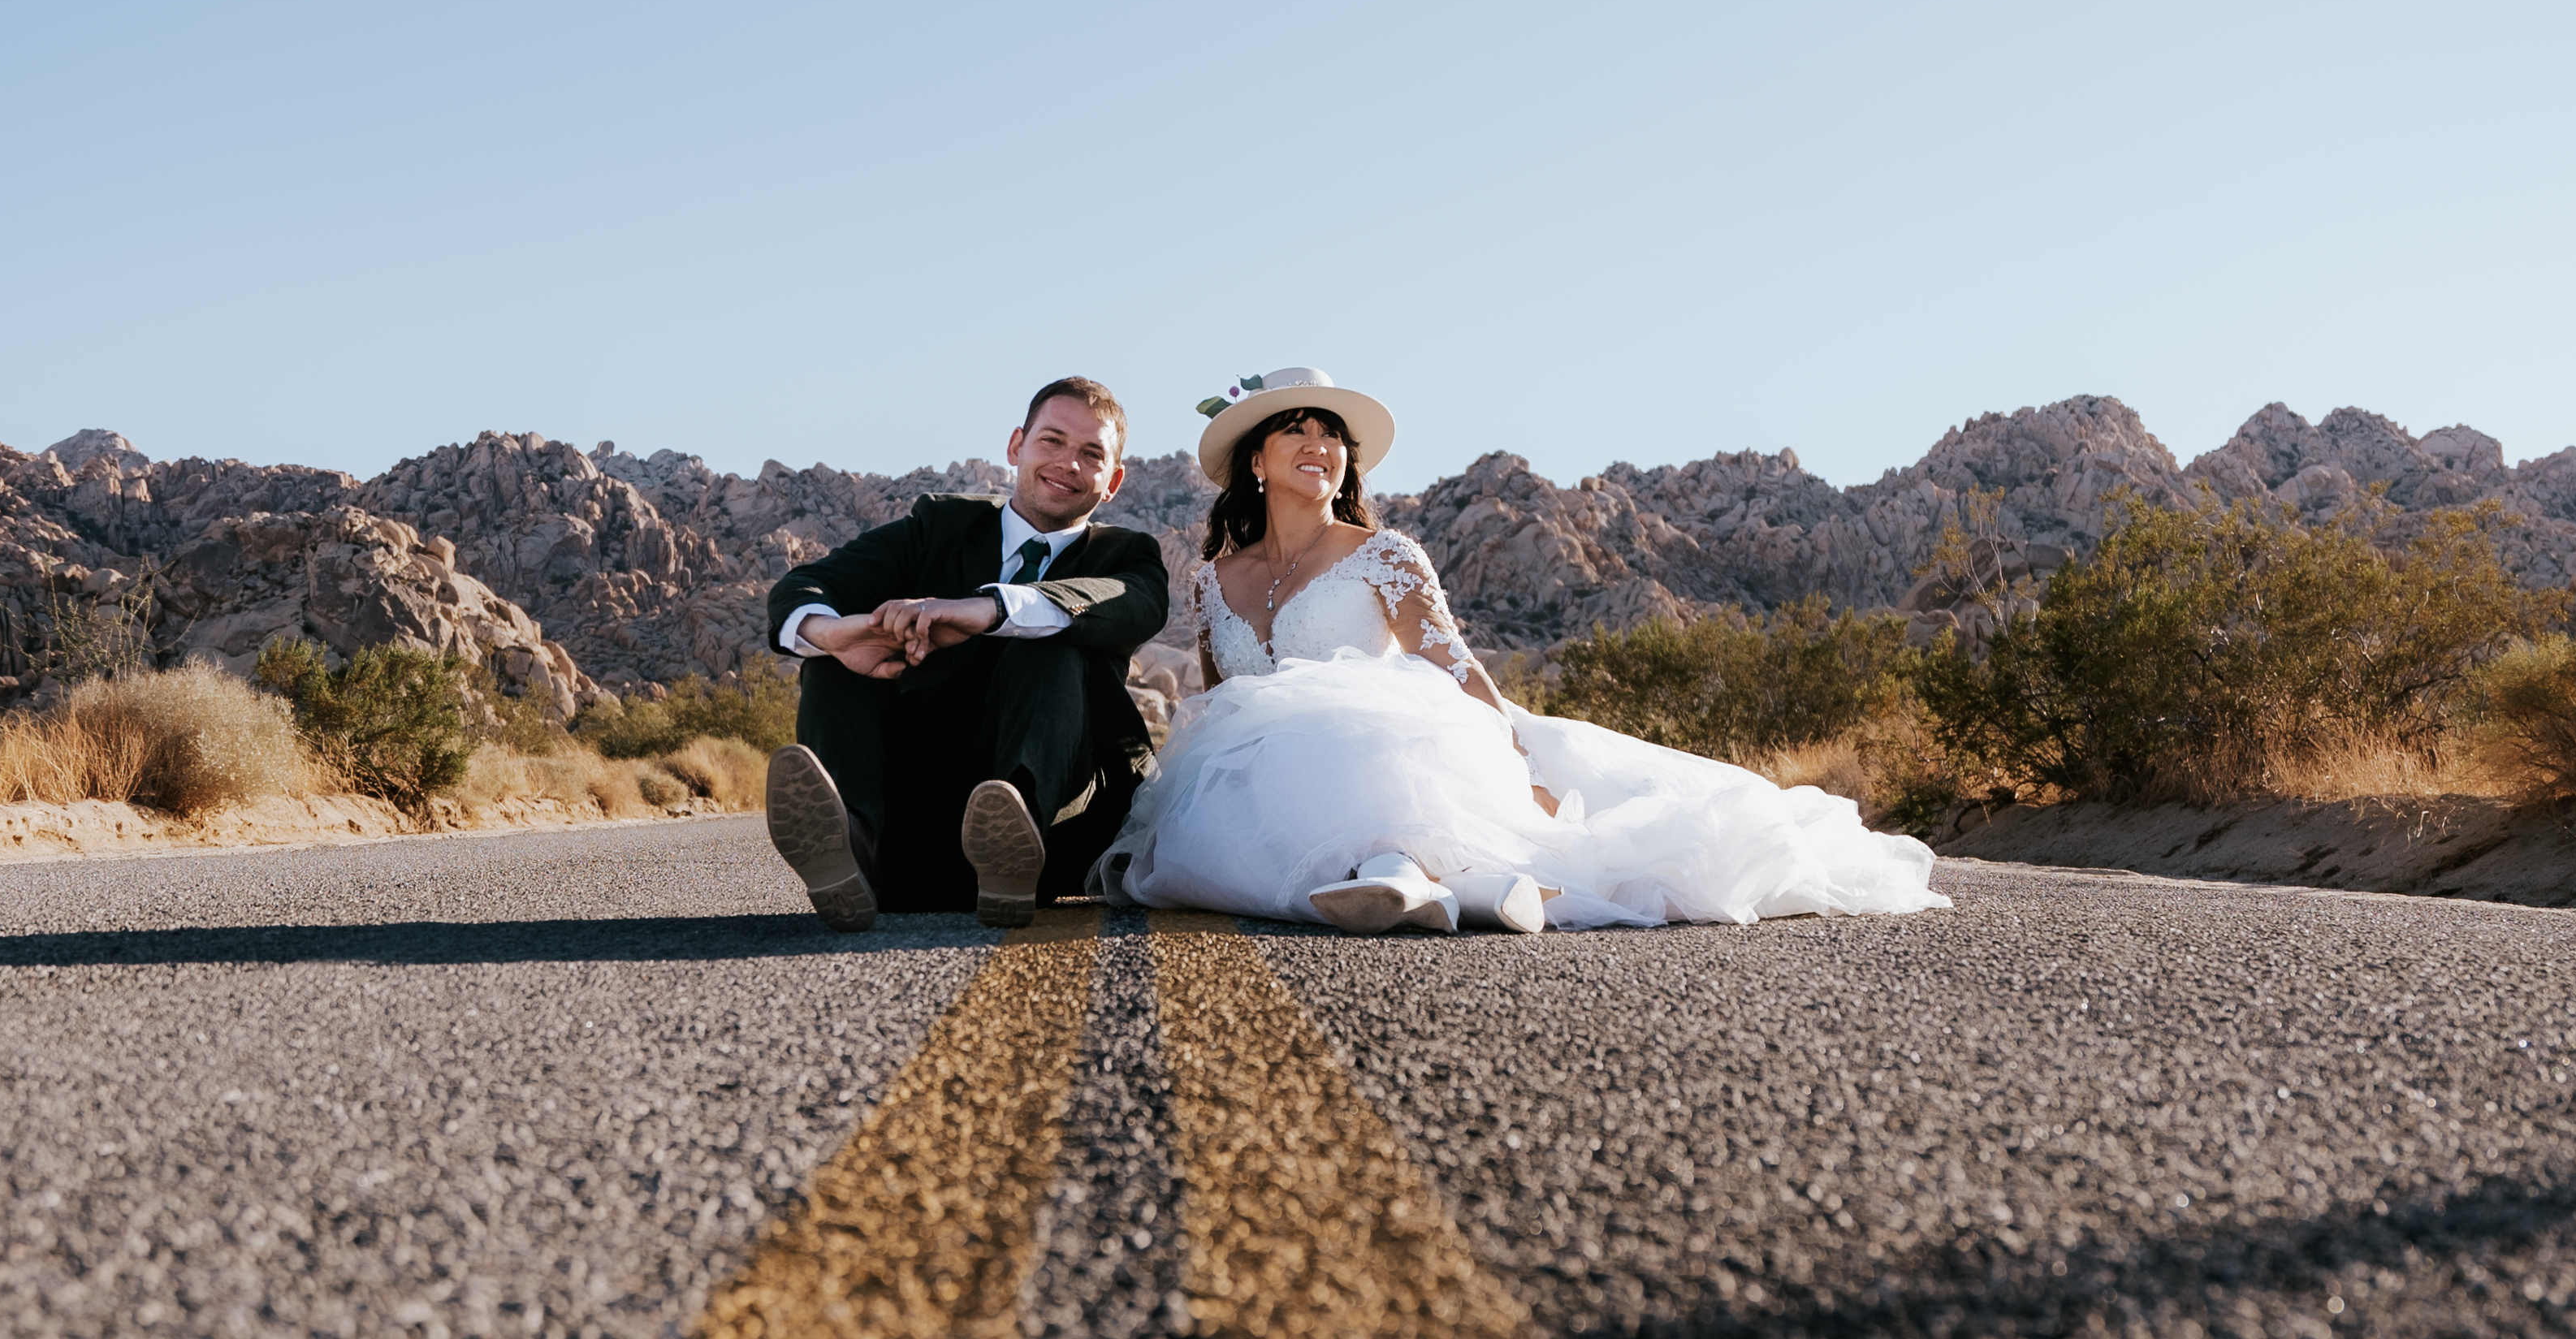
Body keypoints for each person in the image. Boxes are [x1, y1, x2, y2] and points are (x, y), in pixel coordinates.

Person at [1099, 364, 1946, 934]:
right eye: (1296, 429)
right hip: (1263, 781)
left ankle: (1414, 869)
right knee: (1244, 775)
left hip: (1389, 746)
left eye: (1332, 433)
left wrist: (1517, 762)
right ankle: (1475, 887)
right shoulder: (1214, 579)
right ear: (1255, 459)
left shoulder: (1383, 554)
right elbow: (1217, 702)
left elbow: (1454, 666)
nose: (1320, 443)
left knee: (1346, 730)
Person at [763, 376, 1170, 927]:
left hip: (1057, 835)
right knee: (842, 653)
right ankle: (849, 853)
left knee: (1051, 645)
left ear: (1113, 480)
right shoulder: (937, 525)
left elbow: (1137, 604)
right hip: (917, 828)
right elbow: (808, 585)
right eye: (1052, 440)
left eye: (1091, 453)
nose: (1069, 462)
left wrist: (994, 609)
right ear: (1015, 446)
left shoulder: (1128, 556)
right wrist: (833, 633)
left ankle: (1013, 840)